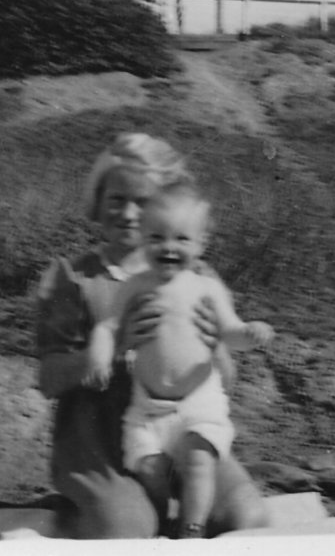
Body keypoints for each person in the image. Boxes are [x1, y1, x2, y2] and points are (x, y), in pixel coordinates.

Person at [36, 132, 270, 539]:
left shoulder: (197, 278)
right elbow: (49, 379)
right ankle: (80, 516)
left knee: (247, 517)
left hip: (183, 429)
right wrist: (110, 350)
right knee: (130, 530)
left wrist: (215, 343)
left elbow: (225, 380)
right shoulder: (74, 279)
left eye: (142, 202)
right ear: (98, 199)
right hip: (99, 439)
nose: (128, 213)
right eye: (116, 198)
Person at [84, 182, 274, 538]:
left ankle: (192, 529)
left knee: (199, 459)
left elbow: (228, 331)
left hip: (198, 404)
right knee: (150, 469)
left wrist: (249, 334)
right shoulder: (135, 286)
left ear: (201, 244)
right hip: (148, 409)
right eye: (157, 237)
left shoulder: (207, 288)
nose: (168, 247)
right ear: (142, 238)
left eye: (182, 239)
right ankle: (158, 519)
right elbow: (108, 327)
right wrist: (99, 357)